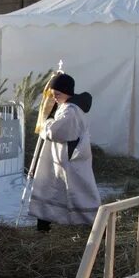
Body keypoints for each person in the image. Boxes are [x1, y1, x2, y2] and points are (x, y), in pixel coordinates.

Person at [28, 72, 100, 231]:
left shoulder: (71, 110)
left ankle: (99, 228)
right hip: (61, 158)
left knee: (78, 194)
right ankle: (43, 226)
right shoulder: (67, 106)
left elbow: (57, 131)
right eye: (53, 94)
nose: (54, 97)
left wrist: (46, 124)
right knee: (50, 190)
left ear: (67, 92)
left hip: (69, 160)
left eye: (57, 94)